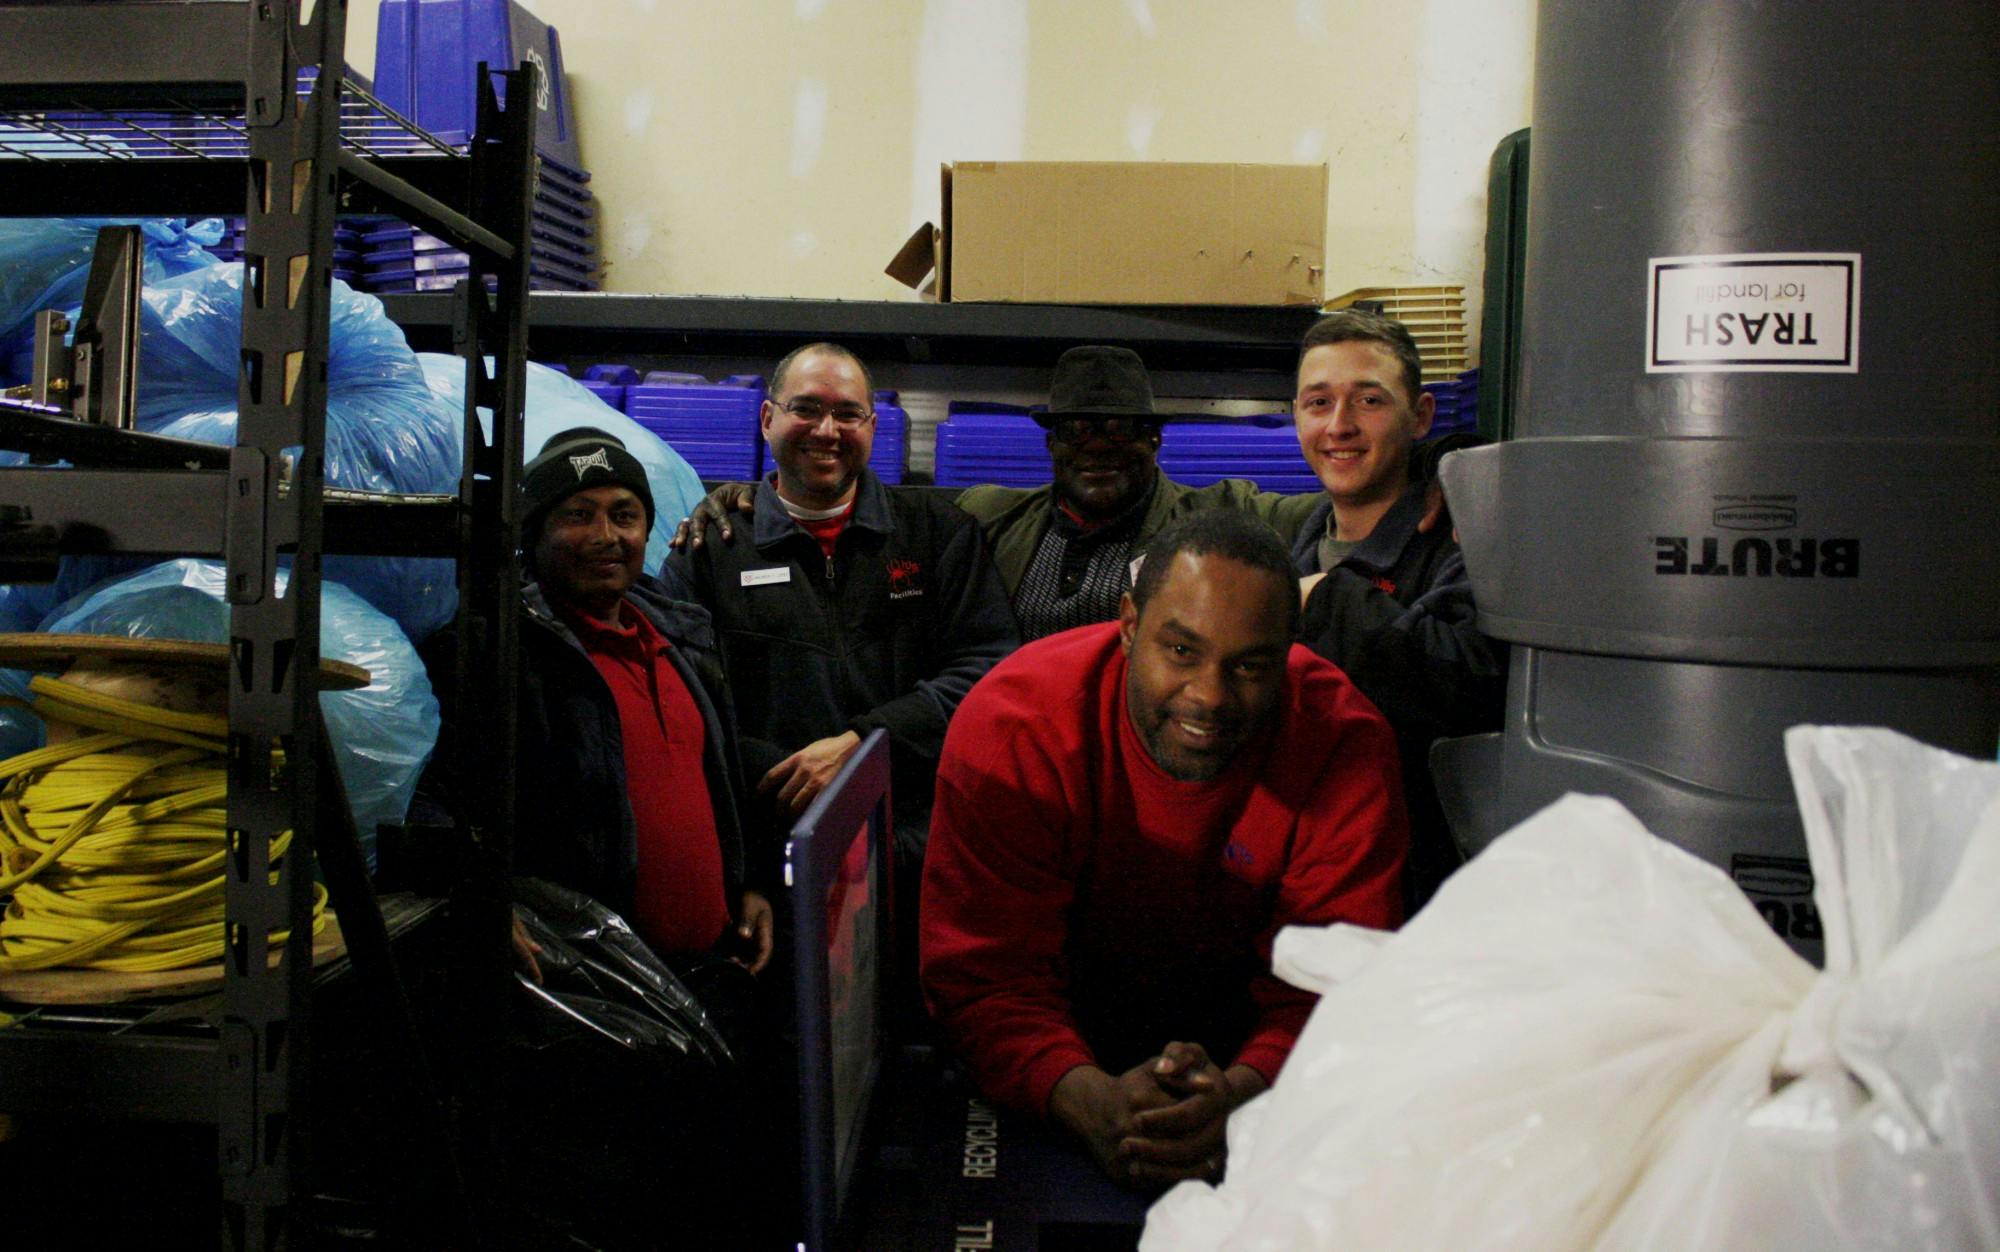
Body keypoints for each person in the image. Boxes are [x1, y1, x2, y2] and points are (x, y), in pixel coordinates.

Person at [919, 511, 1407, 1190]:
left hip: (1259, 1077)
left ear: (1292, 654)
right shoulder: (1014, 725)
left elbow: (1337, 985)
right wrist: (1087, 1099)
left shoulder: (1343, 744)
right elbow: (986, 977)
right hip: (1048, 1070)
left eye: (1251, 666)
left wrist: (1242, 1098)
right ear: (1127, 625)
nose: (1208, 696)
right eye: (1181, 651)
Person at [415, 425, 773, 976]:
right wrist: (474, 896)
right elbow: (429, 794)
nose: (606, 535)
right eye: (577, 515)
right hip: (586, 979)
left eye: (624, 515)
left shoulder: (683, 638)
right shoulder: (493, 649)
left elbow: (718, 778)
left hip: (714, 964)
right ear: (534, 535)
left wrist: (747, 882)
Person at [676, 345, 1323, 642]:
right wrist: (749, 495)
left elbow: (1325, 512)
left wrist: (1422, 483)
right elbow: (858, 500)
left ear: (1153, 442)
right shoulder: (989, 517)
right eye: (1077, 429)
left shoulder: (1212, 513)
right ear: (1051, 445)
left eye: (1119, 428)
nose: (1096, 445)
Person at [661, 341, 1018, 874]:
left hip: (917, 846)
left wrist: (863, 747)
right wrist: (786, 791)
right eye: (805, 408)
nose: (827, 430)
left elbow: (988, 668)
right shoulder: (711, 550)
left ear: (873, 427)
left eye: (848, 413)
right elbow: (686, 703)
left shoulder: (937, 534)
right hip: (771, 846)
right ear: (766, 418)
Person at [1288, 308, 1506, 911]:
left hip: (1428, 895)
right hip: (1315, 882)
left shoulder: (1464, 540)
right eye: (1318, 402)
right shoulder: (1291, 540)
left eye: (1370, 401)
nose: (1340, 425)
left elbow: (1472, 675)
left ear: (1422, 416)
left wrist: (1326, 602)